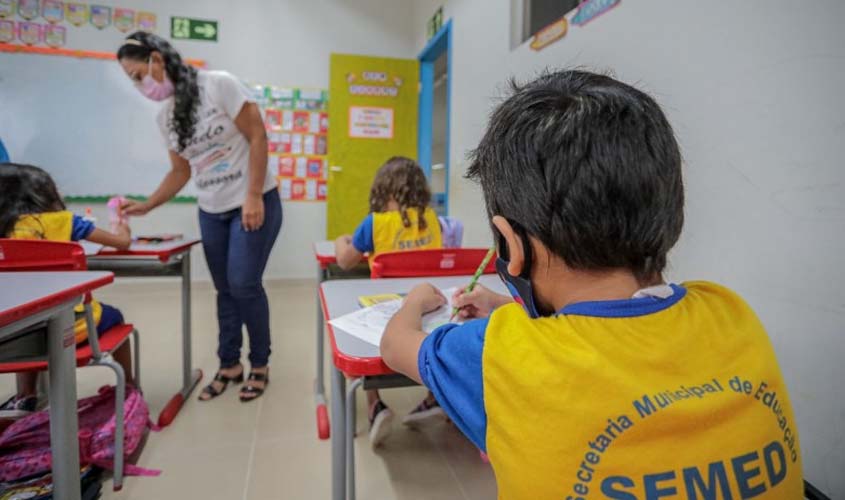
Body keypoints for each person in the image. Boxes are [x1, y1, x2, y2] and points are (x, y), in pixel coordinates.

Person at [380, 70, 803, 499]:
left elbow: (395, 345)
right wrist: (503, 309)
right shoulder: (731, 314)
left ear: (512, 246)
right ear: (672, 213)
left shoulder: (496, 354)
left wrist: (415, 299)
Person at [116, 32, 282, 403]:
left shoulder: (218, 85)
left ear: (157, 60)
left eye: (137, 74)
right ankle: (229, 364)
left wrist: (253, 194)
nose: (138, 85)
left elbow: (257, 136)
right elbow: (180, 172)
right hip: (211, 210)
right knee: (224, 289)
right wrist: (147, 205)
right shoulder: (166, 117)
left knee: (244, 284)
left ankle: (259, 364)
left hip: (253, 200)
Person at [0, 163, 134, 418]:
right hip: (75, 329)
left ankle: (27, 396)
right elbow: (122, 243)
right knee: (115, 316)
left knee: (31, 313)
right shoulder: (65, 222)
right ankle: (129, 388)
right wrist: (122, 226)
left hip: (14, 336)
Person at [334, 156, 445, 447]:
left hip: (385, 316)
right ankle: (434, 398)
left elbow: (345, 262)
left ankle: (374, 405)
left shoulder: (375, 224)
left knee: (351, 324)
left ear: (384, 190)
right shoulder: (433, 221)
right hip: (429, 313)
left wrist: (341, 241)